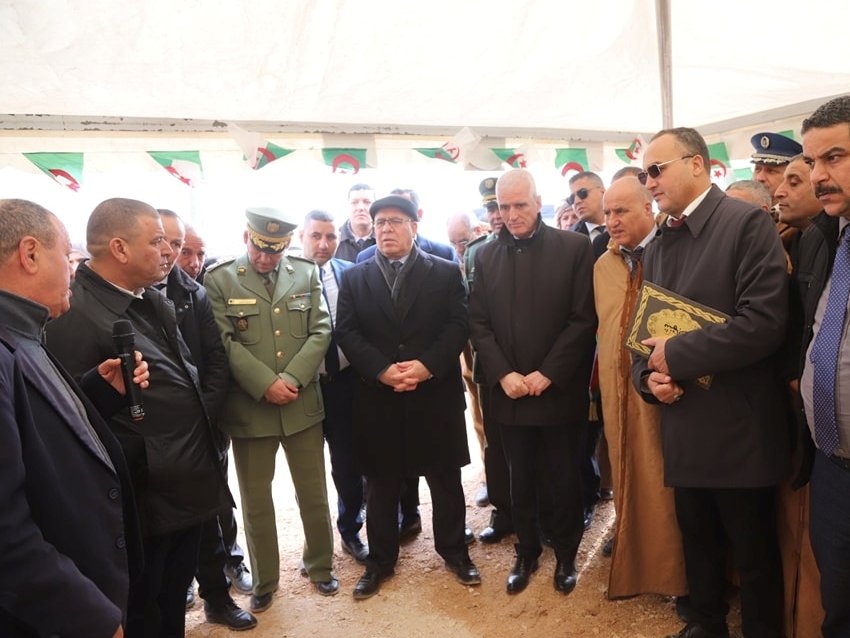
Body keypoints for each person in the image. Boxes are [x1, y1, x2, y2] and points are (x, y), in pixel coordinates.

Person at [46, 197, 232, 638]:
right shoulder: (77, 316)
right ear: (120, 249)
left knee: (171, 603)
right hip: (143, 499)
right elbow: (75, 424)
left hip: (182, 487)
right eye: (156, 241)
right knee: (144, 609)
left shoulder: (148, 298)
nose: (167, 250)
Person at [633, 127, 788, 638]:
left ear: (697, 164)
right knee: (697, 541)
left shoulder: (745, 223)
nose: (649, 182)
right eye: (644, 173)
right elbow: (647, 335)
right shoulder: (659, 241)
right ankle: (706, 624)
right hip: (683, 425)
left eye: (657, 169)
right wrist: (648, 379)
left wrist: (673, 357)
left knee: (754, 553)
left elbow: (763, 323)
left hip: (738, 427)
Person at [0, 198, 149, 638]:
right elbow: (6, 531)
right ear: (29, 254)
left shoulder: (24, 331)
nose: (73, 270)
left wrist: (97, 395)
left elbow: (36, 436)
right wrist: (87, 616)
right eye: (67, 257)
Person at [336, 195, 479, 600]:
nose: (384, 229)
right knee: (381, 485)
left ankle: (454, 552)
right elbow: (346, 331)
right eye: (379, 222)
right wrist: (381, 369)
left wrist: (426, 366)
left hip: (433, 394)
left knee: (445, 480)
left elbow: (457, 325)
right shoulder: (356, 277)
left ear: (414, 226)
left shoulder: (446, 272)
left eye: (395, 221)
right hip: (379, 397)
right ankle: (380, 561)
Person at [469, 169, 597, 595]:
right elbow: (479, 324)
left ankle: (565, 555)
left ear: (538, 202)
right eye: (503, 207)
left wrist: (549, 373)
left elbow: (583, 319)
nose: (512, 215)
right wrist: (504, 374)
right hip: (509, 393)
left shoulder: (574, 247)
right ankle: (526, 551)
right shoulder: (484, 256)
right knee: (517, 478)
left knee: (563, 478)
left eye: (520, 205)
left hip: (557, 390)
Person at [204, 207, 336, 613]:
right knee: (256, 499)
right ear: (248, 237)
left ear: (286, 247)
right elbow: (224, 342)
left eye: (275, 252)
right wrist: (266, 384)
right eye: (261, 250)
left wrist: (292, 379)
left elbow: (322, 329)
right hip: (251, 409)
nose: (266, 259)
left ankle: (320, 566)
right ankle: (264, 579)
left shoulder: (305, 272)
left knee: (313, 493)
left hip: (301, 404)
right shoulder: (221, 278)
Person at [156, 210, 256, 630]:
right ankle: (177, 587)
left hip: (202, 427)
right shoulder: (125, 294)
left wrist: (204, 415)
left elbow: (216, 362)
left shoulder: (193, 293)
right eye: (177, 247)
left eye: (191, 249)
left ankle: (217, 594)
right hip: (153, 437)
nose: (185, 258)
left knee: (212, 512)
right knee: (163, 522)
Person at [593, 178, 687, 600]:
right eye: (607, 213)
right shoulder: (604, 265)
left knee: (667, 483)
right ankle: (636, 553)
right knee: (623, 466)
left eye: (621, 212)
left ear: (649, 207)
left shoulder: (676, 252)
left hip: (665, 395)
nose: (610, 221)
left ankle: (678, 577)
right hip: (618, 397)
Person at [799, 95, 850, 637]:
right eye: (813, 162)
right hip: (832, 467)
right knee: (837, 604)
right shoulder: (830, 239)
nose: (817, 175)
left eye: (833, 157)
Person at [298, 209, 368, 564]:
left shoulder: (349, 274)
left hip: (345, 385)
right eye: (316, 236)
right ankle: (315, 544)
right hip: (305, 389)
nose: (324, 244)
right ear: (301, 237)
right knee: (307, 471)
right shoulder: (285, 279)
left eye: (330, 237)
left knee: (347, 463)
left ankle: (351, 530)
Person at [466, 177, 515, 544]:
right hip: (492, 367)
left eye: (501, 207)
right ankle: (504, 512)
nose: (497, 215)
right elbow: (475, 315)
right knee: (495, 444)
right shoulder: (477, 251)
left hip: (532, 365)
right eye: (491, 208)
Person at [568, 171, 609, 259]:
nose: (576, 201)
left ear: (603, 192)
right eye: (571, 198)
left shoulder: (626, 224)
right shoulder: (569, 240)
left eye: (582, 193)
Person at [335, 183, 376, 262]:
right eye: (354, 202)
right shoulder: (334, 239)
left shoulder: (385, 238)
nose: (360, 208)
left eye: (367, 202)